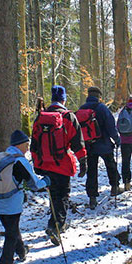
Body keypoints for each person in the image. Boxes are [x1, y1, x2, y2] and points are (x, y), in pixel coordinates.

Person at [31, 85, 87, 245]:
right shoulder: (68, 117)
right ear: (64, 99)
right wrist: (83, 162)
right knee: (63, 195)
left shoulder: (40, 117)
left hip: (45, 164)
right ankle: (56, 226)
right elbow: (78, 142)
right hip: (62, 164)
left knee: (53, 194)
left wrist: (36, 163)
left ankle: (54, 221)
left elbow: (33, 143)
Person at [0, 129, 50, 264]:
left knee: (12, 228)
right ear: (20, 145)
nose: (27, 148)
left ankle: (21, 251)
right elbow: (34, 185)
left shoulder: (0, 157)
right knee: (11, 234)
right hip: (11, 202)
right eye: (26, 145)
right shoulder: (20, 160)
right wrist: (46, 181)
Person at [78, 86, 124, 209]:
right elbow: (111, 127)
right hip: (104, 144)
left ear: (88, 95)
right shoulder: (102, 108)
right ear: (99, 96)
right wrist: (117, 140)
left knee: (91, 171)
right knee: (110, 165)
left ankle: (92, 198)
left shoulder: (81, 109)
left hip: (88, 146)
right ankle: (115, 187)